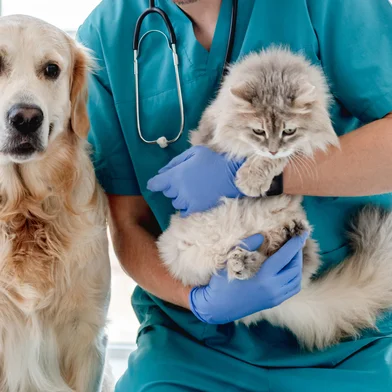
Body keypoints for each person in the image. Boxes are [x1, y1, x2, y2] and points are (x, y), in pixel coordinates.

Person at [77, 0, 392, 390]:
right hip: (189, 342)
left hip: (343, 348)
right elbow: (127, 226)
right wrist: (198, 300)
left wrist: (269, 176)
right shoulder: (108, 33)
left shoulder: (329, 7)